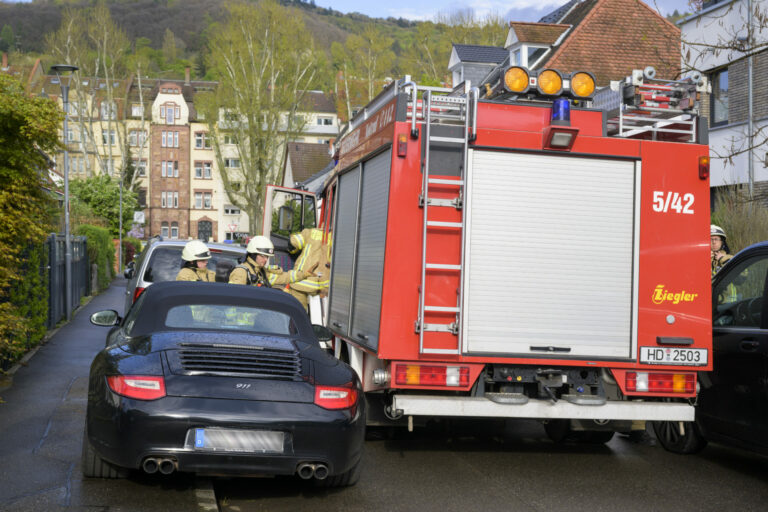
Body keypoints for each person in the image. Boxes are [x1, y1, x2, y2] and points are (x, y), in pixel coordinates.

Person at [229, 235, 315, 287]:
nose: (266, 259)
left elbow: (285, 277)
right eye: (263, 256)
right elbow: (233, 299)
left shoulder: (262, 272)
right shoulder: (241, 272)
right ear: (253, 254)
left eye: (267, 257)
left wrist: (304, 274)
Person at [286, 228, 331, 311]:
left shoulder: (310, 232)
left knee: (297, 312)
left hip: (300, 282)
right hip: (321, 286)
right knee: (317, 314)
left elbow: (293, 243)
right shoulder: (336, 238)